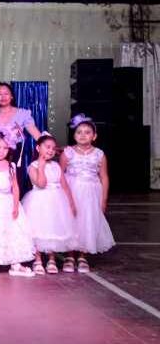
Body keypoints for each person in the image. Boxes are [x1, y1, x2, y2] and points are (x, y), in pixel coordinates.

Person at [0, 132, 36, 277]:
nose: (1, 151)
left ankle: (15, 262)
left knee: (13, 230)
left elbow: (15, 186)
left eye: (5, 148)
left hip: (8, 201)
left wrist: (15, 205)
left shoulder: (11, 166)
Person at [60, 114, 115, 273]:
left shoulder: (99, 154)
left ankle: (83, 255)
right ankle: (70, 255)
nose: (82, 135)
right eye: (79, 132)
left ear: (94, 136)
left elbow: (104, 177)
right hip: (72, 190)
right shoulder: (68, 152)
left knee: (87, 221)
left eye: (87, 132)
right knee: (71, 221)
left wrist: (104, 199)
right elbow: (60, 174)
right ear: (74, 135)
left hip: (91, 192)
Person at [22, 133, 78, 275]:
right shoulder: (33, 166)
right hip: (39, 201)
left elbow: (65, 186)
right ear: (38, 148)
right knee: (38, 230)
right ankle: (38, 259)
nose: (51, 150)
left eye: (53, 148)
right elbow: (41, 184)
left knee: (52, 228)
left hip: (57, 201)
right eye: (47, 147)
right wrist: (41, 167)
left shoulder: (56, 166)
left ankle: (51, 258)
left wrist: (71, 203)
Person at [0, 82, 42, 166]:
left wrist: (50, 147)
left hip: (14, 159)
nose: (3, 97)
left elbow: (38, 136)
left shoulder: (22, 114)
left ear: (12, 96)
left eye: (6, 94)